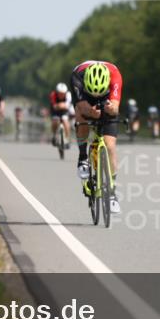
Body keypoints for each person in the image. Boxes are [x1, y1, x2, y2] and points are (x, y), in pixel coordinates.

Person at [71, 60, 122, 214]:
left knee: (110, 145)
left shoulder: (115, 76)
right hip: (84, 98)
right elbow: (81, 106)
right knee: (81, 117)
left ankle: (112, 194)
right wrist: (92, 113)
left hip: (107, 98)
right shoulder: (77, 77)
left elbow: (115, 107)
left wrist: (111, 109)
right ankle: (83, 158)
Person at [48, 82, 73, 146]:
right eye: (60, 93)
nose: (61, 95)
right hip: (55, 110)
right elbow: (54, 106)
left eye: (63, 94)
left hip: (65, 110)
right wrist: (60, 105)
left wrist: (60, 105)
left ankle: (67, 138)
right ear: (57, 92)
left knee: (65, 121)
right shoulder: (53, 95)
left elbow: (67, 105)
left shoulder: (68, 95)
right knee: (55, 121)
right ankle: (54, 135)